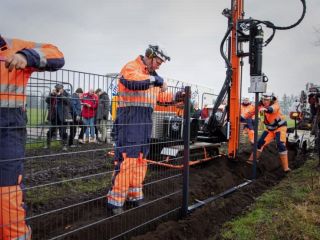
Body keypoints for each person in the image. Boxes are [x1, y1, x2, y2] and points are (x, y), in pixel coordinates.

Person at [0, 35, 64, 240]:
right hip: (35, 120)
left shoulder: (13, 47)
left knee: (7, 186)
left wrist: (26, 56)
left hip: (8, 125)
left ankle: (14, 235)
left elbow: (56, 54)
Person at [107, 45, 170, 214]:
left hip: (144, 121)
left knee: (141, 159)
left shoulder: (151, 76)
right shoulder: (132, 68)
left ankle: (134, 194)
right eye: (157, 62)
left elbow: (161, 97)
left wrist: (178, 97)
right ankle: (116, 201)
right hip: (129, 119)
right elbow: (133, 81)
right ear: (149, 56)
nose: (158, 66)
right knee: (127, 159)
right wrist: (157, 80)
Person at [243, 93, 291, 173]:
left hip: (280, 127)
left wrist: (266, 109)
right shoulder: (259, 105)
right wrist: (242, 117)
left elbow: (273, 109)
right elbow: (250, 112)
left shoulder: (275, 104)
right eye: (264, 100)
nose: (265, 101)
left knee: (280, 144)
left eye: (267, 100)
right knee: (259, 143)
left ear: (270, 100)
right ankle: (251, 161)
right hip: (270, 129)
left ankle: (286, 168)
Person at [45, 84, 71, 150]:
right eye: (56, 88)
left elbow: (68, 101)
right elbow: (47, 100)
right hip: (54, 116)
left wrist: (59, 95)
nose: (57, 90)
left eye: (59, 88)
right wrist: (51, 94)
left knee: (63, 132)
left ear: (62, 89)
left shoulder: (66, 94)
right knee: (51, 131)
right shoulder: (53, 94)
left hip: (63, 116)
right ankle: (48, 144)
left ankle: (64, 145)